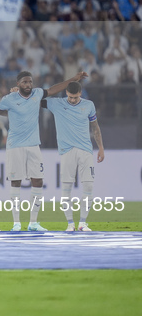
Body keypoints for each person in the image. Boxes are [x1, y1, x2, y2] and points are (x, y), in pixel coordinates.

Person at [0, 71, 88, 231]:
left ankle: (33, 222)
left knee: (38, 181)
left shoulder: (37, 94)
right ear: (18, 83)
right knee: (16, 182)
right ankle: (16, 223)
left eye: (30, 82)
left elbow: (54, 89)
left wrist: (73, 79)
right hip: (15, 145)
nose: (28, 85)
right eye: (24, 82)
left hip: (34, 145)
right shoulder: (9, 99)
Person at [41, 81, 104, 231]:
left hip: (85, 150)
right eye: (70, 97)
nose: (73, 100)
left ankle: (82, 223)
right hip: (67, 151)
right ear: (66, 94)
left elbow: (95, 128)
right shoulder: (56, 104)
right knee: (66, 188)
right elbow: (34, 99)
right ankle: (70, 223)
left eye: (75, 97)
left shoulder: (89, 105)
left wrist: (101, 148)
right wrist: (19, 92)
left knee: (88, 185)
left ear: (80, 94)